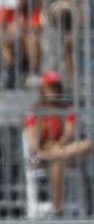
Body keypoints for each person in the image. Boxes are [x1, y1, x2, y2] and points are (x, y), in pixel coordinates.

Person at [27, 70, 92, 215]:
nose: (53, 91)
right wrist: (43, 147)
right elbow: (32, 140)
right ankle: (58, 210)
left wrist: (58, 145)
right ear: (43, 89)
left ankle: (57, 210)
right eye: (50, 87)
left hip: (61, 151)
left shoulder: (66, 109)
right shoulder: (36, 110)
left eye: (56, 87)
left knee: (88, 144)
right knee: (57, 160)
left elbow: (69, 134)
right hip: (41, 154)